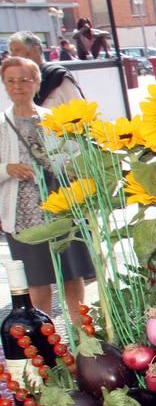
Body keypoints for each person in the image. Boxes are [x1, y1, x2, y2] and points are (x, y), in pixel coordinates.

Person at [0, 57, 94, 316]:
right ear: (5, 85)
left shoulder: (54, 119)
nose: (18, 86)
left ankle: (82, 333)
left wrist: (71, 168)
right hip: (24, 217)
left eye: (24, 80)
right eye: (11, 81)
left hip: (62, 209)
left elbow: (76, 154)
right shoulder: (1, 125)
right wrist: (7, 169)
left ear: (36, 82)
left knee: (72, 276)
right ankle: (45, 334)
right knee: (37, 282)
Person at [8, 32, 81, 109]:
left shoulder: (57, 76)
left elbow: (80, 109)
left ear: (35, 50)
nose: (12, 56)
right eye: (11, 51)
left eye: (17, 50)